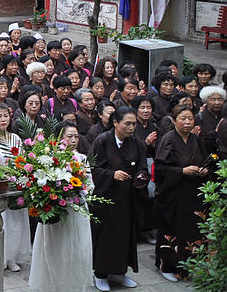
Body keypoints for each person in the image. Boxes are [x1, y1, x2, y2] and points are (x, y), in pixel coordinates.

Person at [28, 121, 93, 292]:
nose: (73, 140)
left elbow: (90, 185)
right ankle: (53, 284)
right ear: (59, 138)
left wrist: (82, 187)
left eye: (76, 137)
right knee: (56, 249)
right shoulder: (51, 159)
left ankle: (74, 284)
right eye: (69, 136)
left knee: (77, 249)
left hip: (77, 209)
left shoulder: (82, 159)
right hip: (57, 210)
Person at [90, 106, 148, 292]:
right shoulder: (102, 140)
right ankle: (101, 275)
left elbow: (142, 167)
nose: (131, 128)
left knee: (124, 237)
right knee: (106, 237)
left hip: (127, 198)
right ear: (115, 122)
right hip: (105, 198)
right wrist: (111, 175)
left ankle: (119, 273)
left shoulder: (137, 143)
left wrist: (140, 178)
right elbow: (91, 168)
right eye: (127, 124)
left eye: (134, 124)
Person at [153, 104, 210, 281]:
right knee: (172, 229)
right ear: (175, 120)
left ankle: (188, 267)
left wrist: (204, 171)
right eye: (183, 118)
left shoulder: (195, 139)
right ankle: (167, 266)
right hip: (173, 195)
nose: (187, 122)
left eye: (190, 118)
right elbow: (160, 168)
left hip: (192, 193)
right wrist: (181, 171)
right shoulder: (168, 139)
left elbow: (206, 159)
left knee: (192, 229)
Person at [0, 102, 30, 271]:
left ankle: (12, 258)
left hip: (15, 185)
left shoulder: (16, 138)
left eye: (6, 115)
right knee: (0, 222)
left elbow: (24, 160)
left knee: (15, 223)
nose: (3, 119)